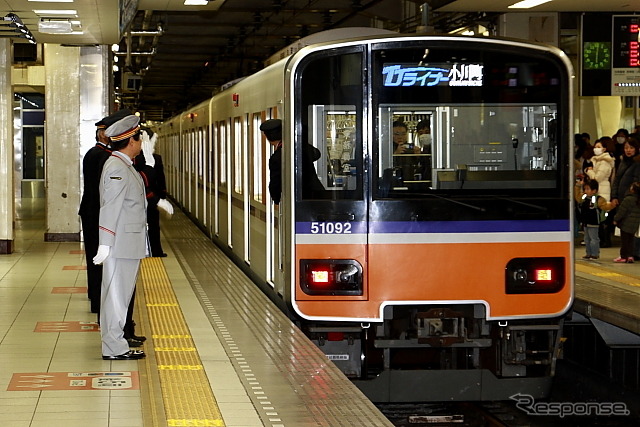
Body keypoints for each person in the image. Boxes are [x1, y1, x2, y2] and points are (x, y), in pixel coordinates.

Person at [93, 114, 147, 360]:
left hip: (126, 243)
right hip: (119, 244)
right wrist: (105, 244)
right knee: (116, 296)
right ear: (131, 141)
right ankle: (114, 348)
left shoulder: (123, 166)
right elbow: (110, 207)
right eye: (139, 138)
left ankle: (116, 344)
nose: (141, 142)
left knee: (119, 296)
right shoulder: (117, 168)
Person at [79, 108, 131, 314]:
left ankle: (95, 297)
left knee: (94, 258)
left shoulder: (95, 153)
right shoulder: (102, 157)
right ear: (103, 134)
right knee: (99, 259)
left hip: (91, 212)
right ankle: (99, 302)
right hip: (97, 214)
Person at [260, 118, 324, 204]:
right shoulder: (300, 147)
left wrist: (276, 199)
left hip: (297, 201)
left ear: (268, 138)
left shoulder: (277, 157)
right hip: (318, 195)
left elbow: (276, 183)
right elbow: (316, 154)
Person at [134, 127, 173, 257]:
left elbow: (160, 178)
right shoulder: (143, 159)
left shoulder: (151, 158)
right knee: (149, 224)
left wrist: (161, 195)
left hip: (149, 196)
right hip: (147, 195)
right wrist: (160, 197)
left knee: (151, 224)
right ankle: (152, 250)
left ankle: (152, 250)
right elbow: (147, 179)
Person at [574, 178, 616, 260]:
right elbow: (577, 197)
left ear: (594, 190)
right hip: (585, 222)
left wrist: (612, 205)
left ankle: (595, 254)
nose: (586, 191)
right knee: (586, 239)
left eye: (588, 189)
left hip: (594, 222)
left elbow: (605, 206)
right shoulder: (584, 197)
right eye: (585, 189)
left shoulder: (599, 199)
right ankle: (588, 253)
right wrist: (577, 186)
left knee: (594, 239)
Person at [613, 182, 640, 263]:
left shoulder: (628, 199)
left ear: (632, 190)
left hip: (626, 223)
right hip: (635, 224)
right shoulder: (638, 200)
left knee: (624, 241)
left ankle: (623, 256)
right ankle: (630, 256)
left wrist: (616, 219)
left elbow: (622, 211)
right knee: (631, 240)